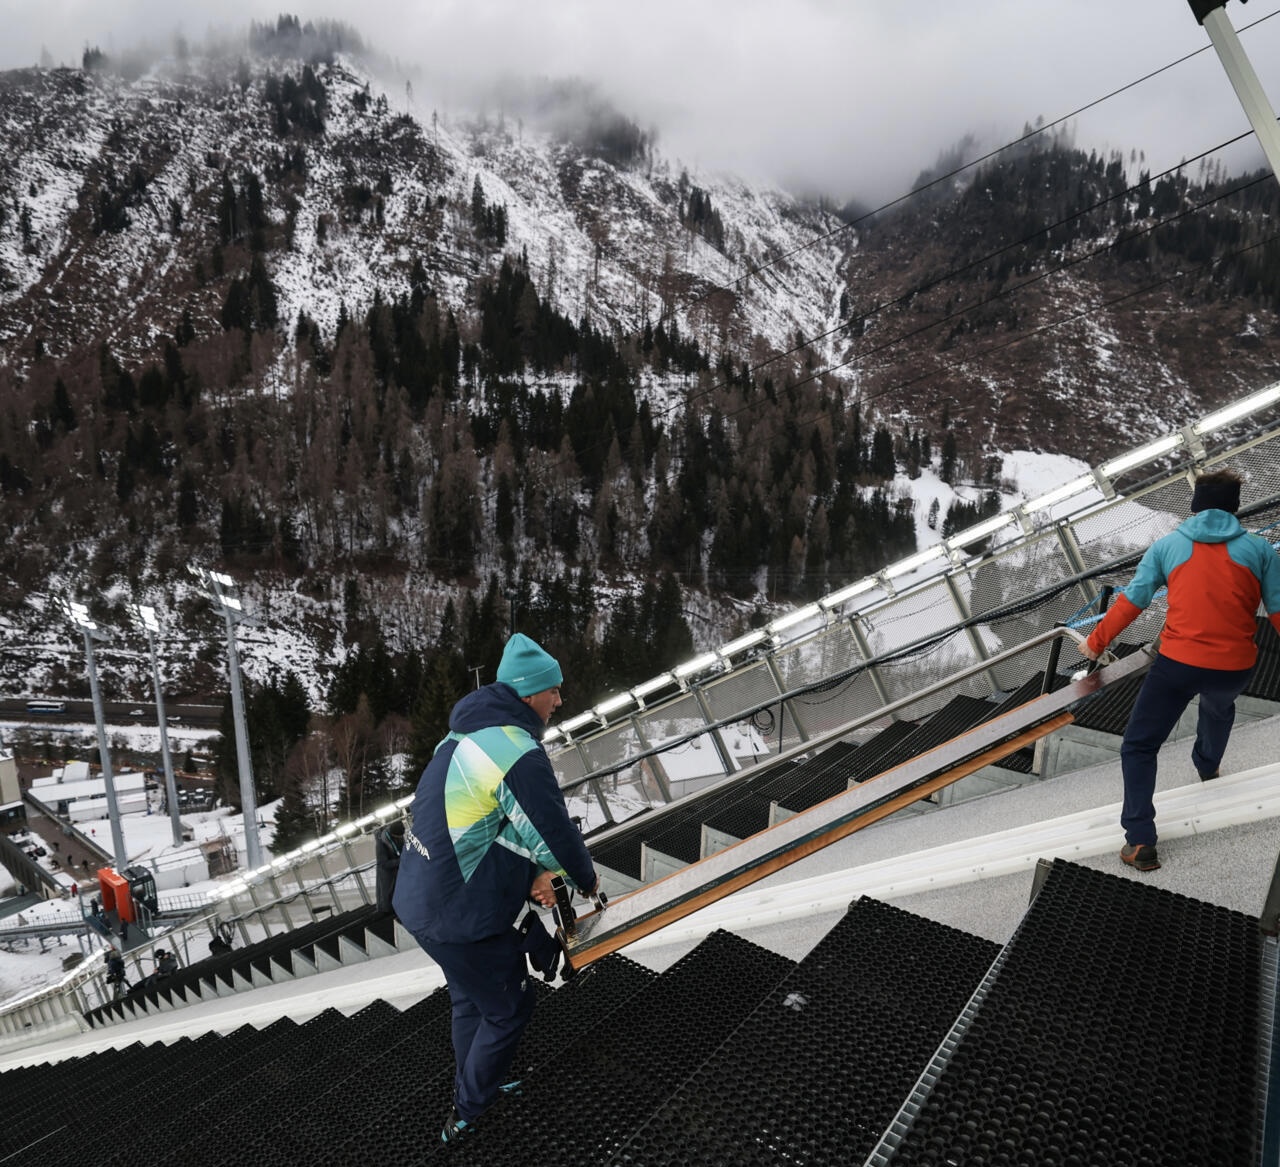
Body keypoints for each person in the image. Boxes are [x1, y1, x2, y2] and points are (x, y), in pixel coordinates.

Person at [393, 633, 598, 1144]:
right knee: (509, 1007)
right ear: (529, 693)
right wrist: (585, 880)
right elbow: (550, 830)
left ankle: (480, 1082)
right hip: (455, 915)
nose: (559, 700)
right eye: (553, 690)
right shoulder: (515, 752)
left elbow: (488, 822)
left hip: (420, 899)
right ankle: (468, 1108)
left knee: (471, 1000)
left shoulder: (462, 735)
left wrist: (532, 874)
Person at [1079, 469, 1280, 871]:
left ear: (1195, 506)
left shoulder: (1167, 547)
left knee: (1139, 745)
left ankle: (1140, 841)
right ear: (1234, 507)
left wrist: (1095, 642)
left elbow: (1132, 601)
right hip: (1234, 666)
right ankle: (1208, 766)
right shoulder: (1262, 550)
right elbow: (1277, 611)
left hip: (1177, 665)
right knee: (1219, 708)